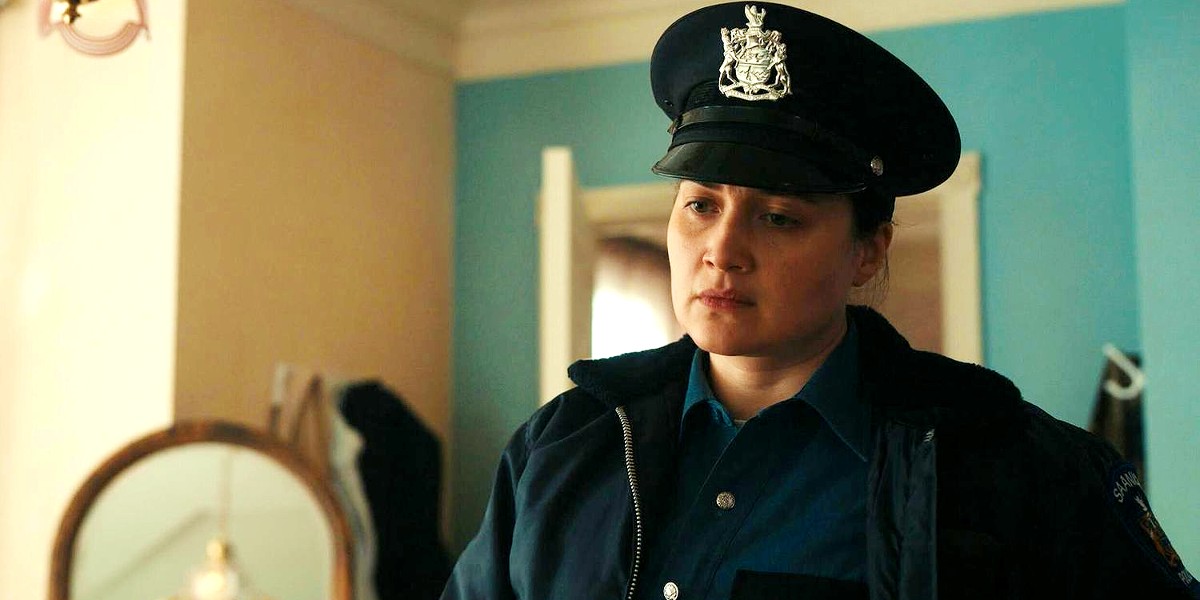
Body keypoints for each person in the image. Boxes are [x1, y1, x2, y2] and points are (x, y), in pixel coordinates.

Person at [442, 3, 1199, 599]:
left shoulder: (1014, 469)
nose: (722, 250)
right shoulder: (562, 445)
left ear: (867, 250)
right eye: (701, 204)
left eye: (778, 217)